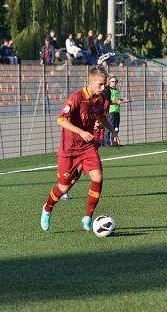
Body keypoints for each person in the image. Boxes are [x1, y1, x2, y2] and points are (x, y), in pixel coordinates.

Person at [40, 67, 120, 232]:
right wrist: (81, 131)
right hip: (69, 149)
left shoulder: (102, 98)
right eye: (100, 84)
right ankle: (47, 208)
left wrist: (112, 131)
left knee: (97, 177)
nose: (103, 87)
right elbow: (61, 120)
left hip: (88, 147)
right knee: (63, 188)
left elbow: (101, 116)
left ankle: (88, 217)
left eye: (104, 84)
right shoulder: (76, 98)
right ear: (90, 81)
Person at [104, 75, 126, 146]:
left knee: (116, 127)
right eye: (112, 81)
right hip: (111, 111)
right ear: (109, 82)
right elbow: (107, 101)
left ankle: (115, 142)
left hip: (117, 111)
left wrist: (122, 100)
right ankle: (107, 143)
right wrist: (117, 102)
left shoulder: (117, 90)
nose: (114, 83)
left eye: (116, 81)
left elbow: (117, 99)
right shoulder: (107, 90)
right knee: (109, 127)